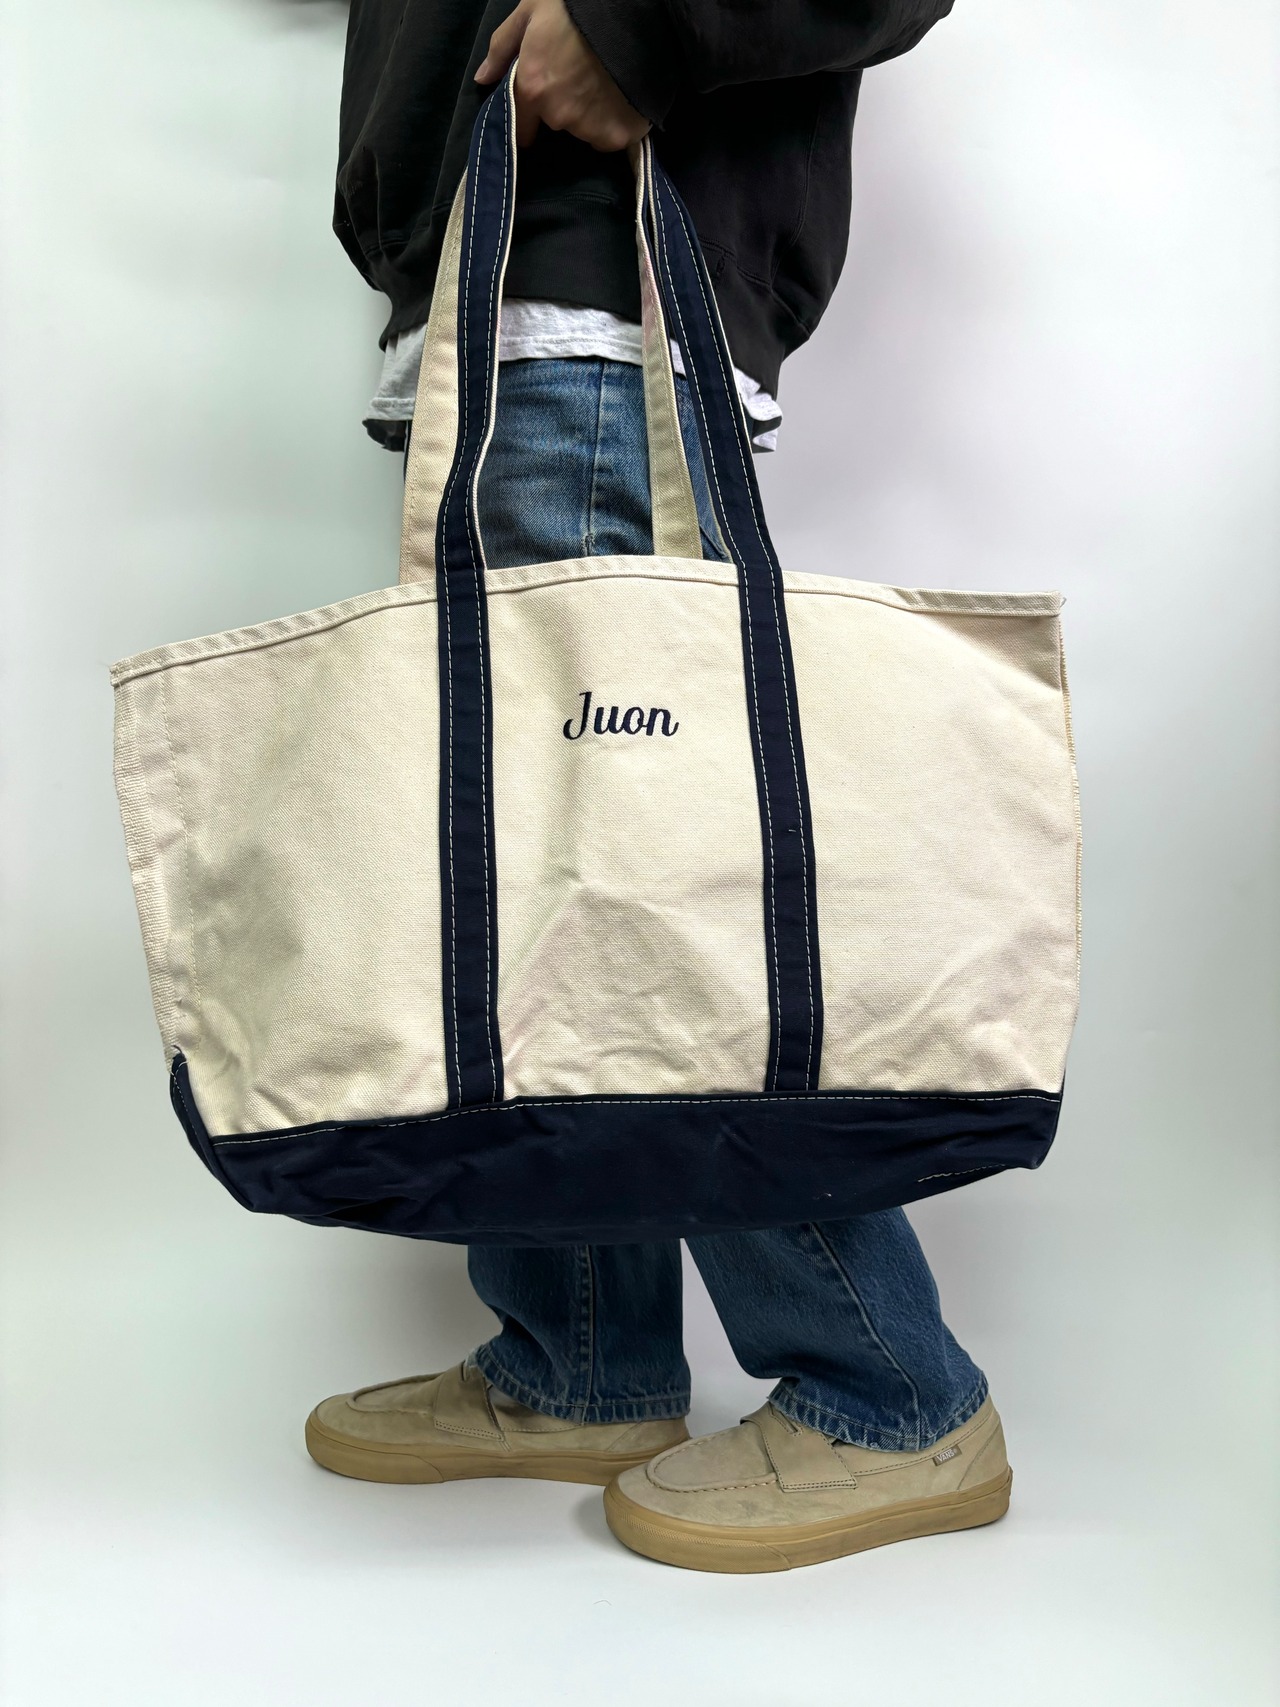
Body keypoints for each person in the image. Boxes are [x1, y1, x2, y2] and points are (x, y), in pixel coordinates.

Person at [307, 0, 1012, 1575]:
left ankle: (889, 1391)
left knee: (651, 914)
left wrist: (630, 28)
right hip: (505, 305)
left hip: (593, 320)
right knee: (541, 912)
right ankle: (581, 1354)